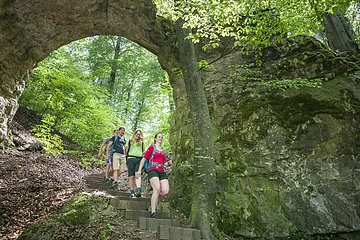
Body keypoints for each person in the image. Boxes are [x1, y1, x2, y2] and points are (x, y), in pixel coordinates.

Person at [136, 133, 172, 218]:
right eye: (159, 137)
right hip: (152, 170)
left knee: (165, 191)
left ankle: (153, 199)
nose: (161, 138)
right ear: (155, 138)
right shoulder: (152, 147)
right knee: (157, 189)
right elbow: (144, 158)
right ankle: (153, 212)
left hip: (161, 171)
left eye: (162, 137)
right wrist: (139, 170)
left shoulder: (163, 150)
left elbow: (164, 163)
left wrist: (168, 163)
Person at [125, 129, 145, 198]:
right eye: (137, 134)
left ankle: (139, 190)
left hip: (138, 159)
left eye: (139, 134)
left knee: (137, 174)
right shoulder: (130, 141)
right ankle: (132, 191)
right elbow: (126, 150)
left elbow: (143, 152)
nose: (138, 135)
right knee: (131, 176)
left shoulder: (142, 142)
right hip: (130, 159)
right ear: (134, 134)